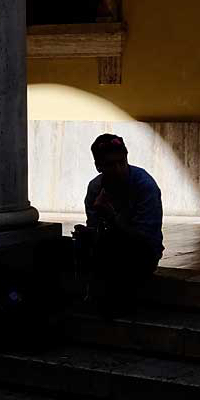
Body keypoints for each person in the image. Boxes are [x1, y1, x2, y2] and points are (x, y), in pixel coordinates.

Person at [72, 134, 163, 316]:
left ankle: (111, 303)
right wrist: (88, 233)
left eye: (122, 162)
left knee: (113, 244)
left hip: (142, 252)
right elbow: (96, 230)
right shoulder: (95, 188)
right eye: (110, 165)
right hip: (107, 249)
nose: (118, 169)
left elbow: (144, 239)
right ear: (99, 166)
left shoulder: (144, 185)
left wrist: (112, 217)